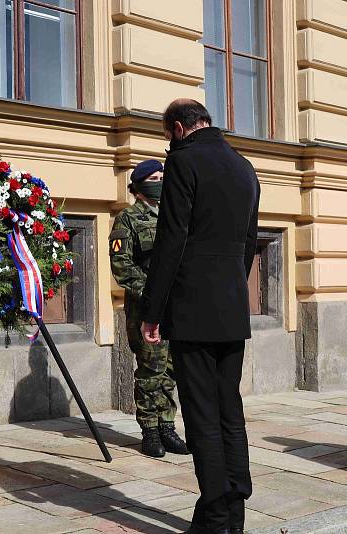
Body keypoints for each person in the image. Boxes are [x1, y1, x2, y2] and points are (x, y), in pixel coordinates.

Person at [140, 99, 260, 534]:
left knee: (201, 412)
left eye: (168, 135)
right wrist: (230, 286)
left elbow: (171, 239)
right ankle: (235, 511)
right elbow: (250, 242)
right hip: (232, 305)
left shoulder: (184, 162)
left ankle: (213, 514)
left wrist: (153, 310)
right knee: (230, 407)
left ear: (177, 128)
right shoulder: (244, 167)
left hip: (192, 306)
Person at [109, 159, 190, 458]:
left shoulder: (174, 215)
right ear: (140, 185)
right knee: (151, 369)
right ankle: (150, 431)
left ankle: (168, 427)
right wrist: (152, 293)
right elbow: (122, 265)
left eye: (162, 176)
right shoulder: (127, 219)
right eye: (154, 178)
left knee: (171, 369)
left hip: (176, 306)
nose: (160, 181)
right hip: (146, 308)